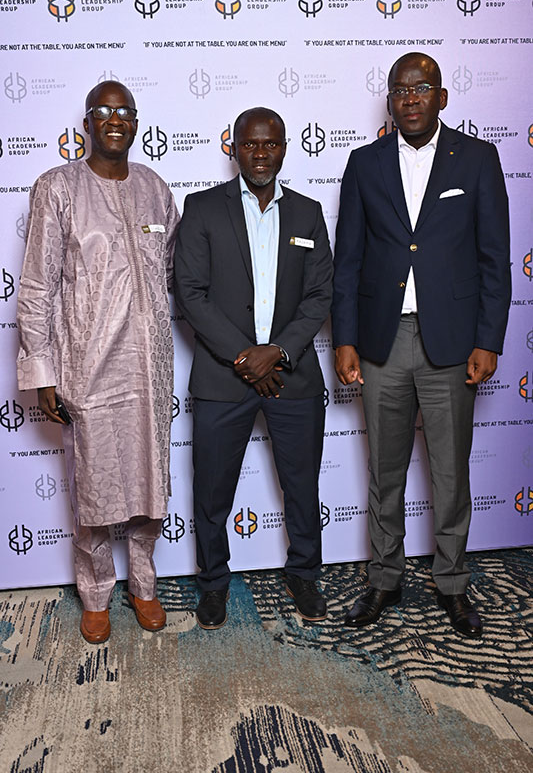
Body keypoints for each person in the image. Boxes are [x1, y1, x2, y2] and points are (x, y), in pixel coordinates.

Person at [332, 53, 511, 638]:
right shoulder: (364, 163)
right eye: (400, 90)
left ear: (442, 97)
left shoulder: (478, 159)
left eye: (422, 88)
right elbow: (348, 260)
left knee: (450, 474)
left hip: (452, 344)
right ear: (389, 100)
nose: (410, 98)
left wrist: (488, 340)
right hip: (382, 342)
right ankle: (384, 579)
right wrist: (345, 338)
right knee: (384, 472)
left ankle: (452, 584)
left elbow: (495, 259)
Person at [16, 81, 180, 643]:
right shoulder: (58, 188)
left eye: (125, 111)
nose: (115, 119)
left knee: (150, 484)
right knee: (95, 489)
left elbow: (172, 271)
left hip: (150, 369)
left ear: (136, 123)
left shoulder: (156, 189)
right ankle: (95, 593)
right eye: (103, 111)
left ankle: (145, 585)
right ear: (87, 122)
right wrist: (43, 371)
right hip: (87, 368)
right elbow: (36, 287)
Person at [175, 107, 332, 629]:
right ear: (234, 149)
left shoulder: (308, 213)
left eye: (270, 144)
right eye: (249, 144)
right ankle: (213, 583)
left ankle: (303, 574)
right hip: (223, 377)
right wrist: (247, 356)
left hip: (293, 375)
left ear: (284, 148)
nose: (260, 153)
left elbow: (319, 294)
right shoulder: (201, 208)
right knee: (212, 490)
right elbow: (190, 292)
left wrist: (278, 351)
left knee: (302, 486)